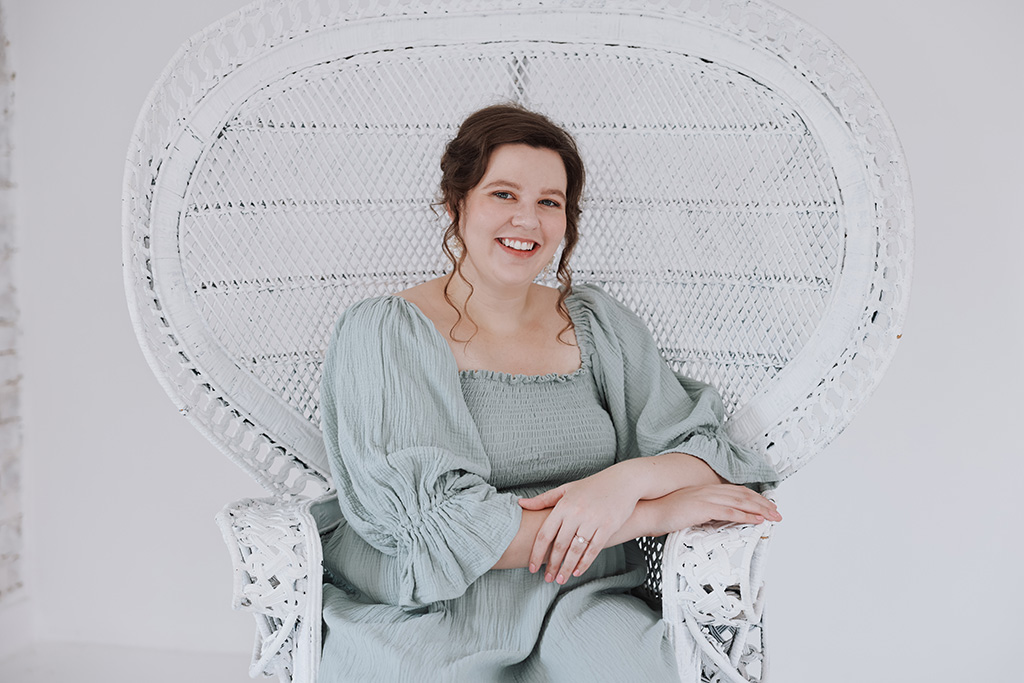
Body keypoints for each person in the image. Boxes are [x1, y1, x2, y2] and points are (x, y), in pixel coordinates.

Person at [317, 104, 781, 682]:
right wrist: (650, 514)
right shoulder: (387, 331)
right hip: (433, 607)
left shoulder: (597, 323)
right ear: (457, 204)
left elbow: (707, 453)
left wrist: (622, 484)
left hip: (580, 595)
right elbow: (443, 531)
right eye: (503, 195)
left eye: (549, 202)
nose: (527, 220)